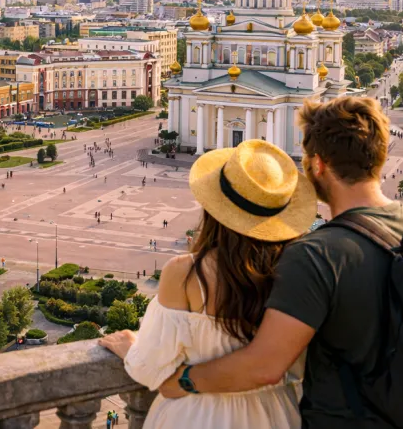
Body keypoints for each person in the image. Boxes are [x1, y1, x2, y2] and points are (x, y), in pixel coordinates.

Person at [154, 96, 403, 429]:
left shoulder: (315, 254)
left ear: (317, 164)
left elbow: (264, 366)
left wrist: (182, 380)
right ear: (380, 157)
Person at [99, 139, 316, 429]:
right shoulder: (304, 273)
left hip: (199, 415)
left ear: (214, 208)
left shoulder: (187, 274)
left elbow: (152, 369)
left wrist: (129, 347)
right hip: (277, 414)